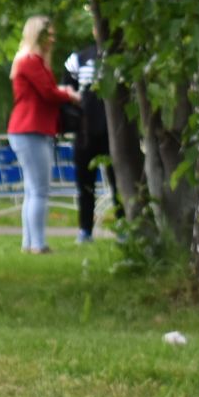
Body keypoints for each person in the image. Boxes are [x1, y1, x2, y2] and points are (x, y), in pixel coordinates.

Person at [8, 16, 78, 255]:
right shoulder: (30, 61)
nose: (52, 39)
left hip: (29, 129)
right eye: (47, 34)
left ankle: (29, 243)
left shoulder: (29, 61)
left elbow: (46, 92)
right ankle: (38, 244)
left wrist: (62, 92)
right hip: (31, 129)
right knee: (39, 190)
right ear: (36, 35)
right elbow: (48, 94)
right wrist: (69, 95)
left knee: (32, 189)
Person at [61, 39, 119, 244]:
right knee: (85, 185)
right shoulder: (78, 59)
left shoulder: (120, 58)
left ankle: (123, 228)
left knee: (118, 182)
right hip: (85, 134)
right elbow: (66, 92)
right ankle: (85, 230)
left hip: (113, 134)